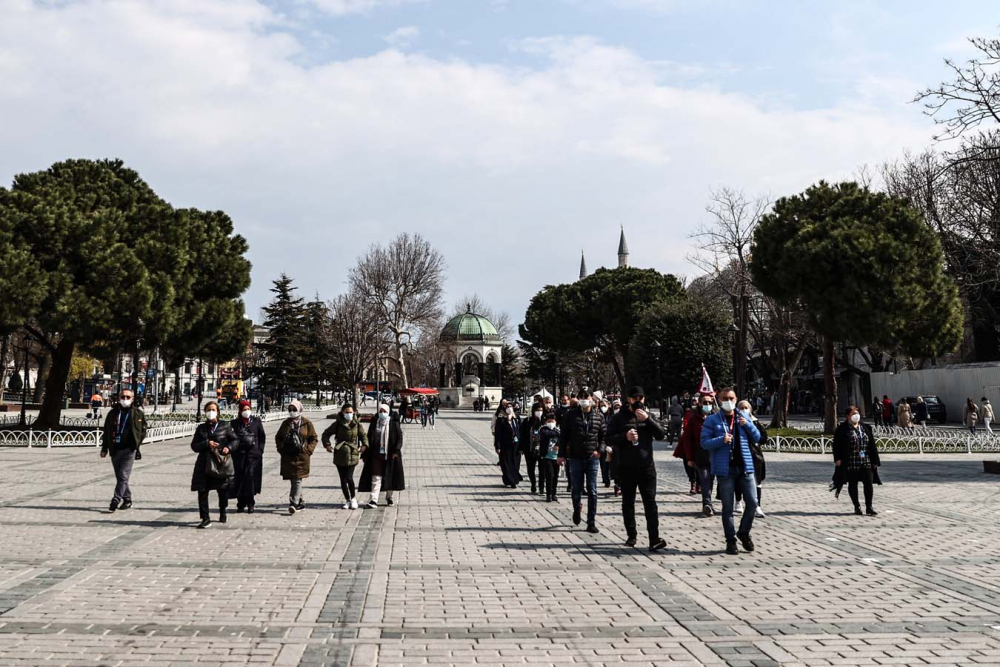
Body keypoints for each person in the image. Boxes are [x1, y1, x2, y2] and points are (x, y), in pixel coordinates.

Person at [701, 387, 761, 555]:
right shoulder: (713, 420)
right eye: (725, 398)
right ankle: (730, 540)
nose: (729, 401)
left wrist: (748, 424)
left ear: (736, 399)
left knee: (752, 502)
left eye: (732, 398)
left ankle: (743, 532)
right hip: (725, 469)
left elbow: (757, 438)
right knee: (727, 508)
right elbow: (704, 443)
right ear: (719, 400)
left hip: (745, 468)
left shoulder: (743, 417)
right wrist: (721, 440)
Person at [607, 386, 667, 551]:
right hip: (626, 466)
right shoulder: (619, 418)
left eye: (640, 398)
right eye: (634, 399)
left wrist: (647, 420)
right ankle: (631, 535)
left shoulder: (649, 416)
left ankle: (654, 538)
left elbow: (661, 434)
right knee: (628, 502)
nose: (637, 402)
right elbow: (609, 438)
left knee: (650, 502)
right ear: (629, 400)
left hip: (646, 466)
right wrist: (624, 437)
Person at [558, 389, 606, 534]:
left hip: (592, 457)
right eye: (581, 397)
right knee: (576, 489)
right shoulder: (571, 415)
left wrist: (600, 451)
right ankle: (577, 508)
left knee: (592, 490)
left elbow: (603, 436)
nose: (584, 399)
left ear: (592, 398)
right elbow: (564, 436)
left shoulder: (598, 416)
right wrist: (561, 455)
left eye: (586, 397)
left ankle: (591, 522)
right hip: (575, 456)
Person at [190, 402, 237, 528]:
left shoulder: (225, 425)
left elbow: (235, 440)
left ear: (217, 411)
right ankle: (205, 518)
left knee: (222, 491)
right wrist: (206, 443)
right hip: (204, 464)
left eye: (213, 409)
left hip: (220, 463)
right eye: (209, 410)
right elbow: (194, 446)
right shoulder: (201, 428)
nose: (211, 412)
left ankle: (222, 511)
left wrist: (229, 447)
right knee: (202, 491)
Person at [101, 389, 148, 512]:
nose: (125, 399)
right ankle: (127, 499)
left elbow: (143, 430)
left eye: (128, 397)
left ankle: (116, 499)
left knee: (123, 475)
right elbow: (106, 431)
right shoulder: (113, 413)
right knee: (120, 477)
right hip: (115, 448)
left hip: (129, 450)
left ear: (132, 399)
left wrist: (137, 442)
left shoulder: (137, 413)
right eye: (123, 397)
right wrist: (104, 448)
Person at [832, 405, 881, 516]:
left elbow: (872, 445)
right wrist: (838, 459)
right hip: (851, 461)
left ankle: (869, 506)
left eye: (857, 413)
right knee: (853, 484)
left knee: (868, 483)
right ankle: (857, 506)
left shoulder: (865, 427)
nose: (856, 416)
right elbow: (836, 445)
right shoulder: (842, 429)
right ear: (848, 416)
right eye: (853, 414)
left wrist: (874, 461)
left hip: (865, 460)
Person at [275, 399, 319, 514]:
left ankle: (293, 503)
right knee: (294, 479)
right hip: (288, 456)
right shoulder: (286, 423)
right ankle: (301, 502)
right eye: (290, 409)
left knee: (297, 479)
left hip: (302, 456)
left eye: (294, 409)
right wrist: (281, 449)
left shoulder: (306, 423)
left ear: (299, 409)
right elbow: (278, 437)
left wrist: (308, 450)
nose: (292, 411)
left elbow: (313, 438)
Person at [323, 403, 368, 510]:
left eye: (350, 412)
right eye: (346, 412)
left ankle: (353, 498)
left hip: (352, 453)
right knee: (343, 479)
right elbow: (326, 434)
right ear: (342, 413)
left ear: (354, 413)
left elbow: (363, 436)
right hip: (340, 453)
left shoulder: (357, 424)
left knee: (349, 477)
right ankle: (347, 499)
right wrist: (327, 445)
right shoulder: (338, 424)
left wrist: (364, 445)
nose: (349, 414)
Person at [359, 403, 405, 507]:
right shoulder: (375, 423)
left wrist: (396, 451)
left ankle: (389, 497)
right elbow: (369, 436)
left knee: (390, 476)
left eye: (384, 411)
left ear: (388, 412)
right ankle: (373, 500)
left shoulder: (393, 424)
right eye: (380, 411)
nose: (382, 413)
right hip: (376, 455)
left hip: (390, 455)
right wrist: (366, 450)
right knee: (376, 477)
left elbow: (399, 438)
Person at [677, 392, 715, 515]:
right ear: (699, 403)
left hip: (713, 455)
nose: (707, 405)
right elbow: (687, 439)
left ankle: (708, 503)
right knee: (704, 479)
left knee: (710, 480)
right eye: (705, 402)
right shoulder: (694, 418)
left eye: (710, 402)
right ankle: (707, 504)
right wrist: (689, 457)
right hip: (700, 455)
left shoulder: (716, 417)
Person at [230, 399, 266, 513]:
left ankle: (250, 502)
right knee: (240, 478)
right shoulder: (235, 423)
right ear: (240, 411)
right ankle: (241, 503)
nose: (247, 411)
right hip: (239, 455)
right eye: (244, 409)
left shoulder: (256, 421)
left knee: (250, 477)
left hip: (253, 455)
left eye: (248, 409)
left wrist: (260, 450)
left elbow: (262, 436)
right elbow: (231, 438)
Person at [735, 400, 767, 519]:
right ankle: (738, 501)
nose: (744, 410)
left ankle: (757, 506)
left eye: (746, 408)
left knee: (757, 482)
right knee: (739, 481)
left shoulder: (755, 422)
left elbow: (763, 438)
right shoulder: (735, 423)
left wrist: (750, 425)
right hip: (740, 456)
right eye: (741, 408)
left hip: (755, 457)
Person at [495, 402, 523, 488]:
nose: (509, 408)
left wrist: (522, 445)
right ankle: (509, 479)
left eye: (511, 406)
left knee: (515, 463)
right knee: (506, 463)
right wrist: (497, 446)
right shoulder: (501, 419)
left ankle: (514, 480)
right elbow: (498, 434)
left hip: (516, 445)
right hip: (505, 445)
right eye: (507, 407)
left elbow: (521, 431)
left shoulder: (516, 417)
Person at [520, 402, 544, 494]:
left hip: (542, 449)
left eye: (541, 410)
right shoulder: (527, 421)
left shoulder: (544, 421)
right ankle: (533, 484)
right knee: (531, 468)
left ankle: (541, 486)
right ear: (533, 411)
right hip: (529, 448)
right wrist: (521, 448)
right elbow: (522, 435)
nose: (539, 412)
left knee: (542, 469)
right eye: (537, 410)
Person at [538, 413, 561, 502]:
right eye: (549, 421)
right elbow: (546, 434)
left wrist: (558, 444)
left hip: (556, 457)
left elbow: (562, 438)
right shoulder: (543, 429)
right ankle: (548, 494)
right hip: (546, 456)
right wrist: (556, 433)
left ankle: (554, 493)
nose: (551, 423)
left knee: (555, 476)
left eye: (552, 421)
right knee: (549, 476)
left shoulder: (558, 430)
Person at [598, 399, 613, 488]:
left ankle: (611, 476)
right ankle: (605, 478)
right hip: (602, 441)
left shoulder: (612, 415)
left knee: (611, 461)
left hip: (610, 440)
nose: (602, 407)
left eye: (604, 405)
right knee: (603, 461)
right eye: (601, 405)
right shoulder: (598, 415)